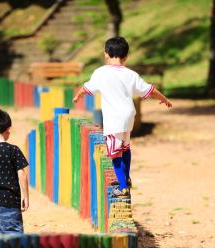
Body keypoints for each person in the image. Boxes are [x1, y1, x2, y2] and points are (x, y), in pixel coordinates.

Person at [73, 36, 172, 197]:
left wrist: (78, 96)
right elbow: (150, 90)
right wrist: (164, 99)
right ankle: (125, 178)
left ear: (106, 54)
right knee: (125, 147)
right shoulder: (131, 74)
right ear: (126, 56)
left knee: (114, 152)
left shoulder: (101, 72)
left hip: (114, 118)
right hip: (129, 115)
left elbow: (86, 88)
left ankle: (124, 186)